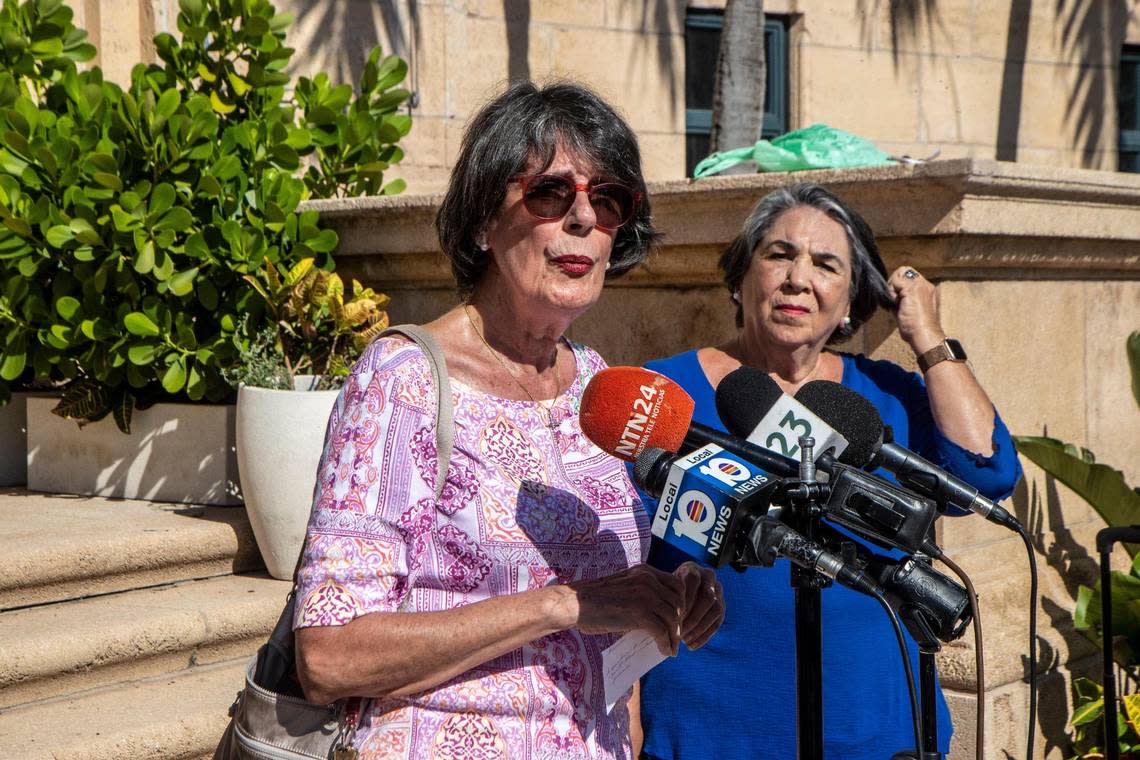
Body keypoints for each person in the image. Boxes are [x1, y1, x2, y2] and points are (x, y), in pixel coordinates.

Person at [291, 81, 725, 759]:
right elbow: (328, 657)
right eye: (551, 193)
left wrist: (658, 604)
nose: (582, 217)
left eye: (607, 199)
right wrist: (562, 606)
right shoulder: (401, 379)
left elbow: (609, 618)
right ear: (483, 224)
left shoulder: (597, 381)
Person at [635, 182, 1022, 759]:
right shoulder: (665, 394)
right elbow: (615, 549)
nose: (798, 278)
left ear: (848, 304)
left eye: (826, 265)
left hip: (875, 722)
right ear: (741, 278)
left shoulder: (884, 395)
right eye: (778, 254)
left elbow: (985, 474)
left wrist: (929, 338)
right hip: (711, 724)